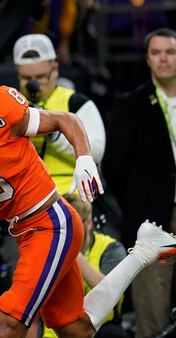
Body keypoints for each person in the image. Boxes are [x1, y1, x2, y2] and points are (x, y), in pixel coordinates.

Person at [0, 51, 176, 338]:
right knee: (76, 329)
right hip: (25, 231)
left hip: (52, 222)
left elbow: (65, 120)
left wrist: (84, 158)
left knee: (7, 323)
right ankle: (143, 253)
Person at [103, 27, 176, 338]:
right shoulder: (130, 104)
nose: (164, 58)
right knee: (151, 307)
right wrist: (139, 204)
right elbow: (114, 166)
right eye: (156, 52)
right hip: (151, 217)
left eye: (170, 52)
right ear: (147, 59)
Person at [12, 33, 105, 195]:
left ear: (55, 69)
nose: (34, 85)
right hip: (25, 199)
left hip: (72, 196)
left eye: (40, 77)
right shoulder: (9, 105)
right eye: (26, 78)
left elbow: (96, 152)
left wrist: (53, 133)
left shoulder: (75, 103)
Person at [29, 193, 128, 338]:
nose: (65, 231)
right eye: (61, 225)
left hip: (98, 329)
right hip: (55, 332)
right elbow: (31, 306)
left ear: (88, 223)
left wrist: (73, 252)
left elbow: (111, 292)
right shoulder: (46, 249)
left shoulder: (111, 248)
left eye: (71, 225)